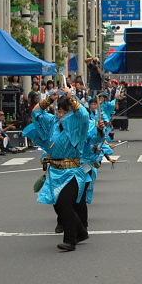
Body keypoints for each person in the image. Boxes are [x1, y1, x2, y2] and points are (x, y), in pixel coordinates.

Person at [23, 86, 90, 252]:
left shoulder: (78, 124)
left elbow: (84, 114)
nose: (60, 114)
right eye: (58, 111)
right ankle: (81, 232)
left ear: (69, 111)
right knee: (59, 205)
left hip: (72, 171)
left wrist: (70, 97)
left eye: (63, 111)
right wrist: (50, 99)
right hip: (55, 171)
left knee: (64, 203)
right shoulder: (53, 122)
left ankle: (70, 240)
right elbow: (36, 113)